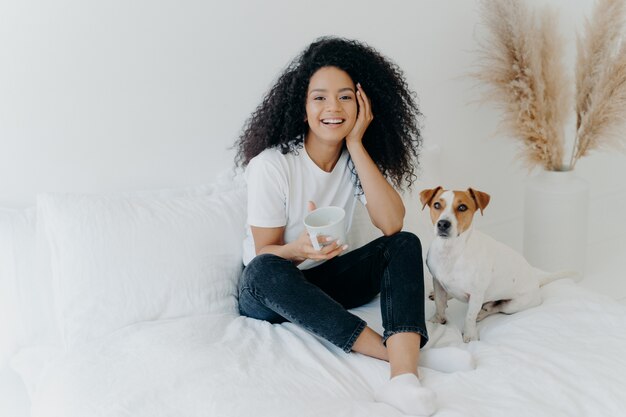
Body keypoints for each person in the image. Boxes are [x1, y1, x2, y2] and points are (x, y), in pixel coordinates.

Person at [234, 36, 435, 416]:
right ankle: (397, 354)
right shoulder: (273, 165)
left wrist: (357, 144)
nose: (333, 108)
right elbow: (265, 254)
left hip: (322, 279)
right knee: (264, 270)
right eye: (320, 97)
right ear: (303, 106)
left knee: (405, 243)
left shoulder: (354, 159)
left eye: (345, 97)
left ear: (363, 104)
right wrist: (299, 249)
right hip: (269, 292)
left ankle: (404, 378)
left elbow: (392, 224)